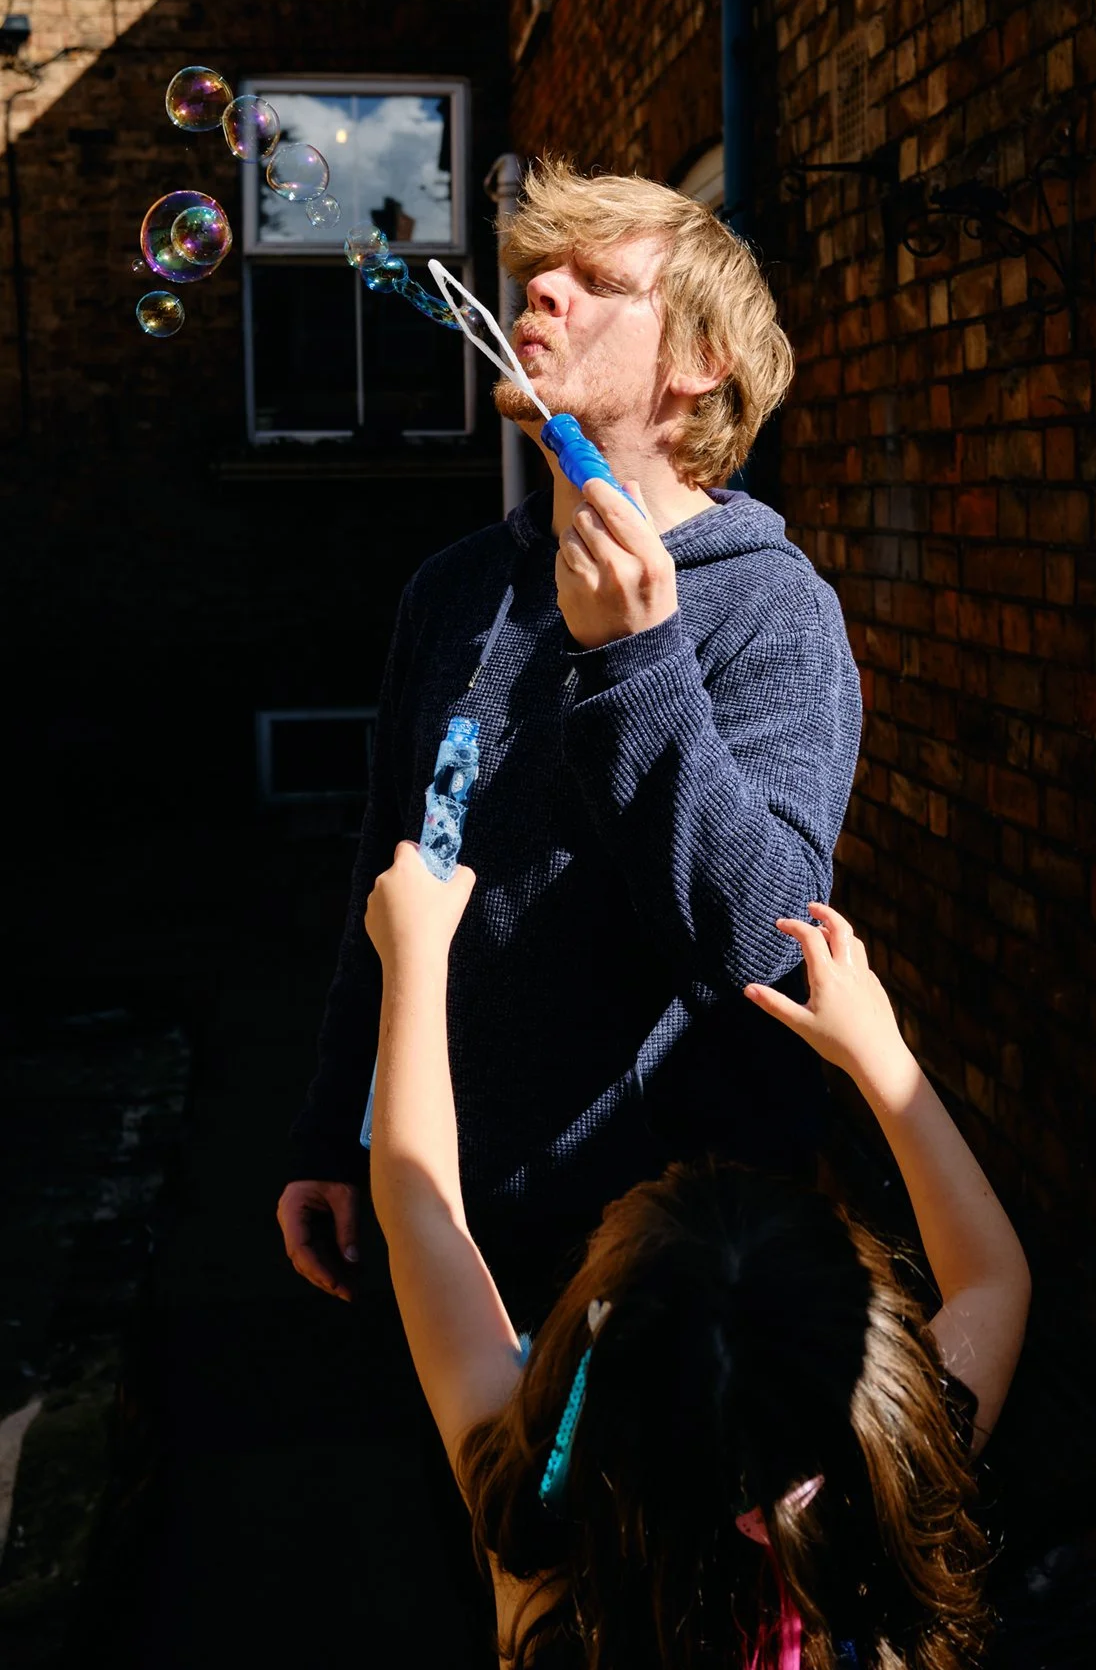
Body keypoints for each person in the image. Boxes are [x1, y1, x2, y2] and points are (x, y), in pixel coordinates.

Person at [277, 160, 863, 1317]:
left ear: (701, 365)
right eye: (538, 271)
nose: (541, 288)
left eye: (597, 280)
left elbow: (765, 946)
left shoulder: (771, 609)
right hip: (444, 1212)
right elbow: (393, 871)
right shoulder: (452, 593)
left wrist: (636, 659)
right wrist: (333, 1126)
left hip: (663, 1256)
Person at [364, 844, 1031, 1670]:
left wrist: (414, 959)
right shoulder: (892, 1491)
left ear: (593, 1346)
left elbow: (415, 1216)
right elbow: (995, 1278)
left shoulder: (545, 1563)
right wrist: (879, 1052)